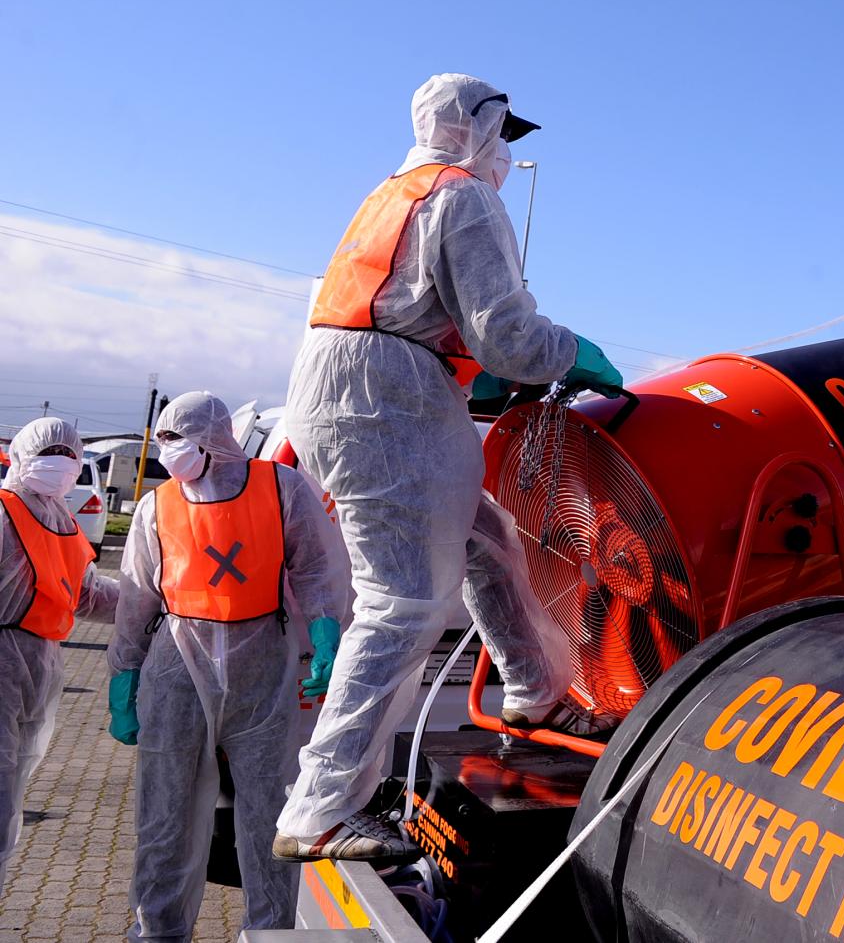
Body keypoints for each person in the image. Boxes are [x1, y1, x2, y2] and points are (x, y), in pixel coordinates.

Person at [272, 72, 623, 863]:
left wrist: (486, 369)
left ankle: (534, 691)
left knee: (485, 540)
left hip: (356, 389)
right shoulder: (464, 195)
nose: (507, 153)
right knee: (401, 603)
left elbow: (403, 308)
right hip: (390, 401)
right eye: (505, 134)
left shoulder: (397, 192)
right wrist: (571, 353)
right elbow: (507, 333)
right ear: (479, 127)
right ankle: (319, 808)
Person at [107, 392, 343, 939]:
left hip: (262, 661)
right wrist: (124, 674)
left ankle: (269, 932)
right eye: (162, 441)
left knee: (268, 817)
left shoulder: (281, 487)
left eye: (176, 440)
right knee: (164, 815)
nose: (169, 452)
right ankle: (158, 930)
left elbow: (314, 570)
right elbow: (138, 598)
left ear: (213, 438)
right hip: (176, 669)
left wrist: (326, 633)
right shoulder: (156, 504)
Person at [0, 418, 118, 892]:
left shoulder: (61, 518)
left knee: (9, 796)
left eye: (71, 454)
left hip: (39, 664)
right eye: (51, 451)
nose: (62, 462)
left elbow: (85, 594)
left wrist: (154, 599)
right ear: (22, 454)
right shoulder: (4, 510)